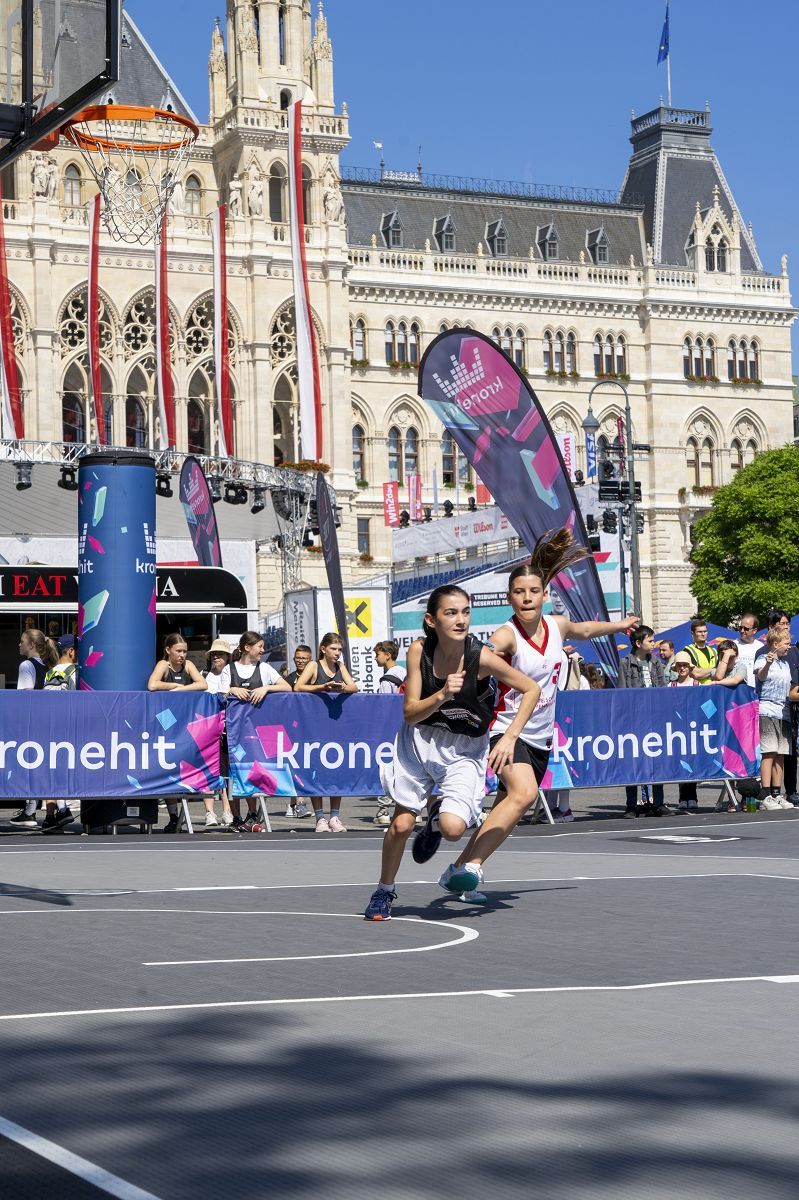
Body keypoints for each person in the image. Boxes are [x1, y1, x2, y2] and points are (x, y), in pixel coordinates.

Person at [435, 537, 641, 892]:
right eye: (519, 592)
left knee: (508, 809)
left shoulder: (557, 626)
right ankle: (473, 865)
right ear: (509, 598)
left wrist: (619, 625)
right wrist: (465, 666)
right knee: (525, 793)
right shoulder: (507, 635)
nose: (527, 597)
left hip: (540, 737)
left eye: (533, 591)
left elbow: (584, 629)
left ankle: (455, 873)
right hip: (506, 731)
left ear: (545, 595)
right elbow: (482, 654)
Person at [363, 582, 541, 920]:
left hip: (465, 747)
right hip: (420, 740)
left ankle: (436, 816)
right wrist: (443, 694)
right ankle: (384, 890)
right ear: (432, 620)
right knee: (401, 825)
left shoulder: (481, 657)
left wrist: (509, 736)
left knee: (454, 830)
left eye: (466, 612)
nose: (461, 620)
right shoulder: (419, 651)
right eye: (451, 613)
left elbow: (531, 688)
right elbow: (410, 713)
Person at [219, 631, 293, 830]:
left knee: (252, 772)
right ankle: (235, 817)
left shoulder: (264, 668)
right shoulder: (229, 669)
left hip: (253, 734)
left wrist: (265, 688)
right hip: (232, 733)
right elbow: (220, 695)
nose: (263, 650)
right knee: (232, 775)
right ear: (247, 647)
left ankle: (252, 814)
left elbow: (287, 687)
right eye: (260, 646)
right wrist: (232, 690)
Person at [296, 633, 358, 832]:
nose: (337, 653)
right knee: (316, 771)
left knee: (336, 771)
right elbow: (298, 687)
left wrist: (341, 688)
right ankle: (320, 818)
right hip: (315, 726)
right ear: (323, 649)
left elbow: (354, 686)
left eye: (340, 649)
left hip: (336, 726)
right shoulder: (314, 666)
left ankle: (335, 817)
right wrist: (323, 687)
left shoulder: (340, 666)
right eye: (334, 649)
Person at [148, 635, 208, 833]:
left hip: (184, 723)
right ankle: (173, 815)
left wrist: (182, 689)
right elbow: (153, 685)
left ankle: (202, 811)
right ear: (168, 650)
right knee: (170, 770)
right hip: (165, 722)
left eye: (185, 651)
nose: (182, 655)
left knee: (187, 767)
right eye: (179, 651)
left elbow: (203, 684)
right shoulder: (163, 665)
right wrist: (174, 686)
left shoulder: (188, 665)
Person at [8, 629, 60, 829]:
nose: (19, 644)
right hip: (48, 725)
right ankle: (37, 811)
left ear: (31, 645)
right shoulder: (49, 666)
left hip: (31, 726)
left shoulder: (26, 666)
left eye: (22, 641)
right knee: (43, 768)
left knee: (31, 767)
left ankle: (32, 812)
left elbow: (27, 699)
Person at [619, 624, 671, 818]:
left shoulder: (655, 662)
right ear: (638, 643)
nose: (653, 644)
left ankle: (658, 802)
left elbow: (662, 688)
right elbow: (622, 691)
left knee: (656, 759)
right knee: (633, 760)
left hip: (654, 717)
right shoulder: (626, 663)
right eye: (650, 640)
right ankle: (631, 805)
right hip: (634, 718)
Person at [755, 610, 799, 806]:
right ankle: (765, 795)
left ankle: (776, 793)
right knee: (769, 753)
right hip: (767, 710)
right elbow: (761, 676)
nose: (789, 646)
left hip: (784, 712)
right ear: (775, 644)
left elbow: (791, 689)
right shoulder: (762, 658)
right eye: (786, 643)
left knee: (781, 754)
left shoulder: (785, 665)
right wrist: (767, 664)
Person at [372, 640, 407, 827]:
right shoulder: (404, 673)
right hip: (406, 727)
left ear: (387, 655)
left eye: (377, 654)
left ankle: (384, 809)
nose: (375, 658)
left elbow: (385, 707)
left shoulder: (387, 679)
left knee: (386, 767)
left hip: (391, 730)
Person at [201, 639, 235, 829]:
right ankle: (209, 812)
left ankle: (227, 810)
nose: (216, 657)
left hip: (227, 728)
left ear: (227, 657)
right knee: (208, 769)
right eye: (214, 654)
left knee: (225, 770)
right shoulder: (203, 676)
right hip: (207, 728)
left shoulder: (231, 674)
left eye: (220, 654)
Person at [681, 619, 718, 684]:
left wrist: (704, 672)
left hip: (715, 687)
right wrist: (716, 670)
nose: (703, 634)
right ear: (693, 633)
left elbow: (723, 671)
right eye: (699, 632)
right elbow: (696, 674)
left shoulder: (714, 651)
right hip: (699, 688)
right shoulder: (687, 651)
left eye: (705, 631)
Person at [734, 613, 760, 688]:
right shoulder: (733, 646)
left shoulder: (760, 647)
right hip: (737, 690)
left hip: (755, 690)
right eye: (740, 628)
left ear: (754, 630)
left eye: (746, 629)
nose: (742, 631)